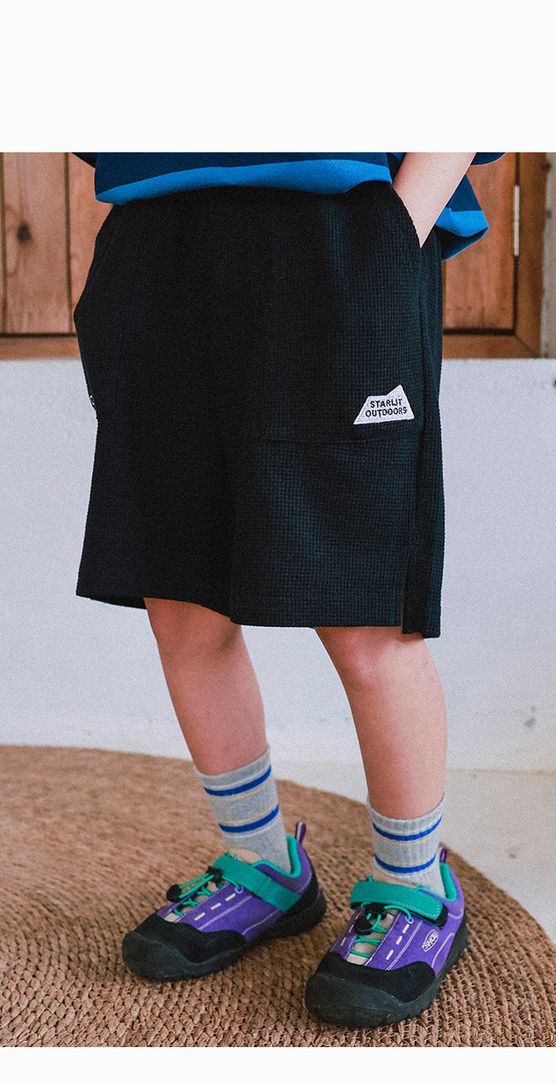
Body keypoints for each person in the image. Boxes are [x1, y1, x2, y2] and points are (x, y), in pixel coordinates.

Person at [72, 151, 503, 1028]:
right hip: (158, 246)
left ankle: (416, 884)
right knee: (182, 605)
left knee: (365, 610)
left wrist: (395, 226)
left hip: (341, 233)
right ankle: (264, 862)